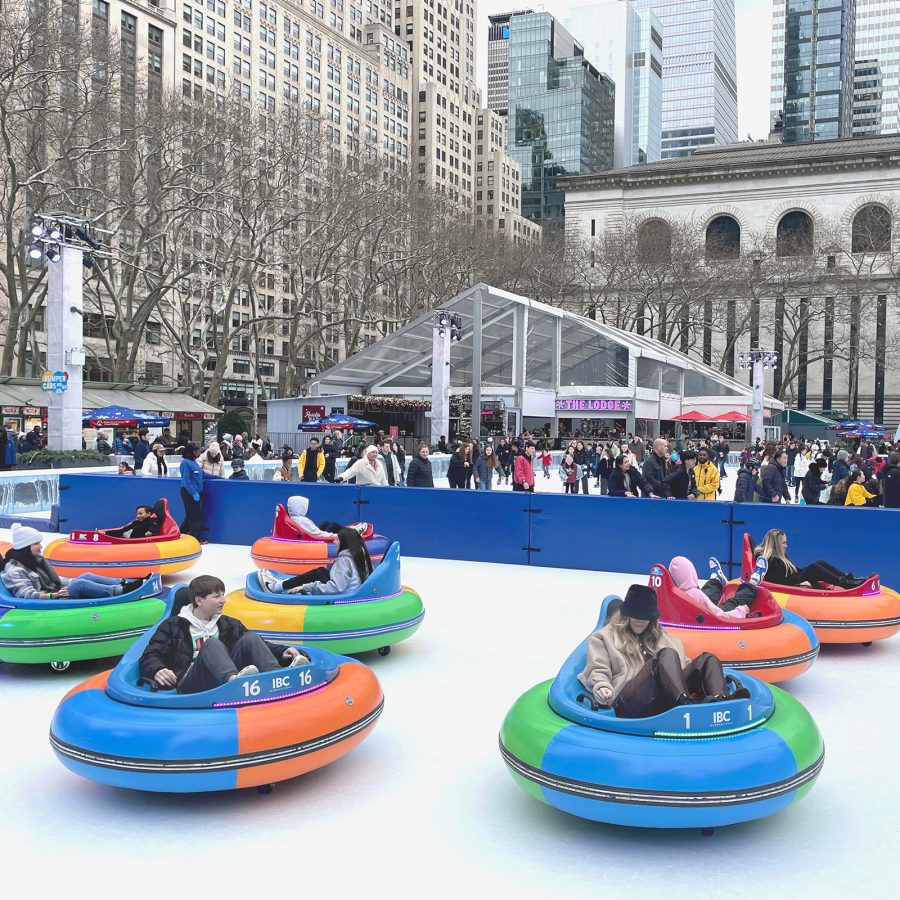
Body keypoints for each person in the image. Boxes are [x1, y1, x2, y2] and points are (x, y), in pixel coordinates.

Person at [578, 584, 740, 718]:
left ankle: (723, 704)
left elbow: (682, 665)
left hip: (663, 697)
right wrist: (602, 686)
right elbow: (598, 669)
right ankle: (684, 706)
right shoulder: (604, 637)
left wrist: (701, 674)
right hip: (630, 702)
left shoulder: (661, 636)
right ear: (626, 614)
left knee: (707, 659)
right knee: (665, 654)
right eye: (635, 615)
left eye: (644, 616)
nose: (639, 620)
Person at [139, 575, 305, 693]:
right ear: (199, 601)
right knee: (211, 643)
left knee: (250, 638)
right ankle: (234, 683)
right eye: (216, 596)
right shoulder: (173, 626)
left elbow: (257, 646)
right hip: (191, 681)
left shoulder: (228, 623)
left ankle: (277, 676)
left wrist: (281, 651)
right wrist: (157, 669)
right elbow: (150, 655)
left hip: (221, 677)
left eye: (223, 595)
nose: (223, 600)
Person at [1, 525, 152, 599]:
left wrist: (72, 580)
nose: (40, 546)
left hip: (55, 592)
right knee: (80, 584)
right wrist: (52, 595)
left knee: (85, 576)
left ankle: (126, 583)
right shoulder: (15, 570)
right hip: (47, 601)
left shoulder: (35, 561)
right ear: (25, 547)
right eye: (36, 544)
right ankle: (120, 591)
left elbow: (56, 580)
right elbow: (26, 595)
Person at [260, 527, 372, 594]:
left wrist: (306, 587)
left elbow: (337, 588)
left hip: (341, 597)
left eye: (337, 539)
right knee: (322, 571)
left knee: (317, 574)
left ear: (344, 543)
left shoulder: (344, 561)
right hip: (350, 592)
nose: (334, 542)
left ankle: (275, 587)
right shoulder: (360, 556)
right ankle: (282, 582)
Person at [755, 529, 866, 590]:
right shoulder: (771, 561)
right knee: (814, 567)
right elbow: (783, 581)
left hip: (794, 579)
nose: (786, 546)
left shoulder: (780, 557)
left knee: (819, 563)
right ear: (776, 544)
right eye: (783, 543)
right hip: (792, 585)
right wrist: (806, 579)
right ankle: (846, 584)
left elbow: (794, 571)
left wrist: (806, 571)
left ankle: (849, 579)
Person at [669, 555, 765, 620]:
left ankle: (716, 579)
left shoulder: (672, 595)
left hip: (700, 614)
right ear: (692, 573)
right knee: (733, 603)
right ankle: (753, 582)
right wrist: (741, 611)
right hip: (710, 619)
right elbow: (721, 617)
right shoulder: (696, 594)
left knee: (706, 595)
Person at [180, 443, 212, 542]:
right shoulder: (186, 463)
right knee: (195, 516)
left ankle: (181, 533)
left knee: (191, 515)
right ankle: (196, 538)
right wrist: (193, 492)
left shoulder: (194, 462)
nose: (200, 453)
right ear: (193, 452)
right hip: (189, 493)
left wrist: (218, 477)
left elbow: (202, 474)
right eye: (198, 451)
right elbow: (186, 481)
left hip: (195, 493)